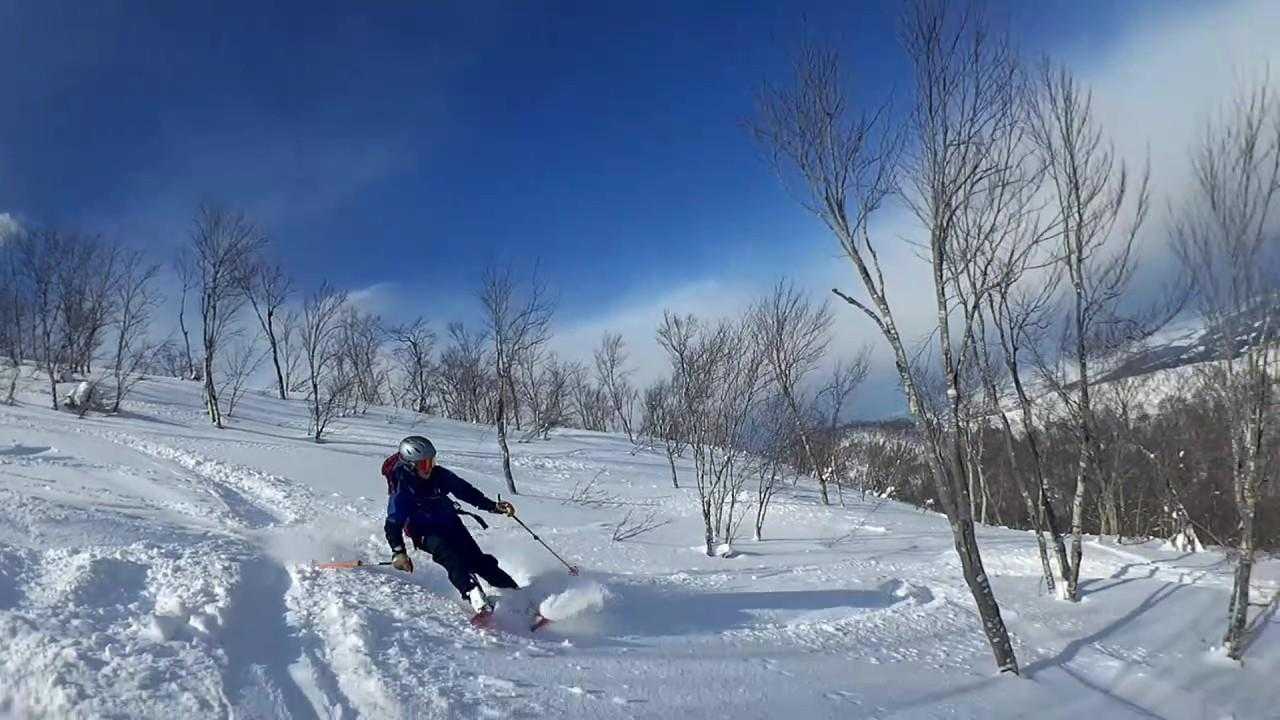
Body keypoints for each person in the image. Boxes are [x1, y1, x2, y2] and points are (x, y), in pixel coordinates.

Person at [383, 435, 519, 613]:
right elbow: (393, 523)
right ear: (410, 465)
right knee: (452, 557)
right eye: (424, 464)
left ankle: (516, 594)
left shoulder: (439, 475)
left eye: (431, 461)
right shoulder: (402, 488)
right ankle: (475, 597)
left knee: (477, 559)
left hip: (449, 521)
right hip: (423, 531)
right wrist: (399, 552)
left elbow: (466, 492)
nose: (430, 468)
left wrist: (493, 506)